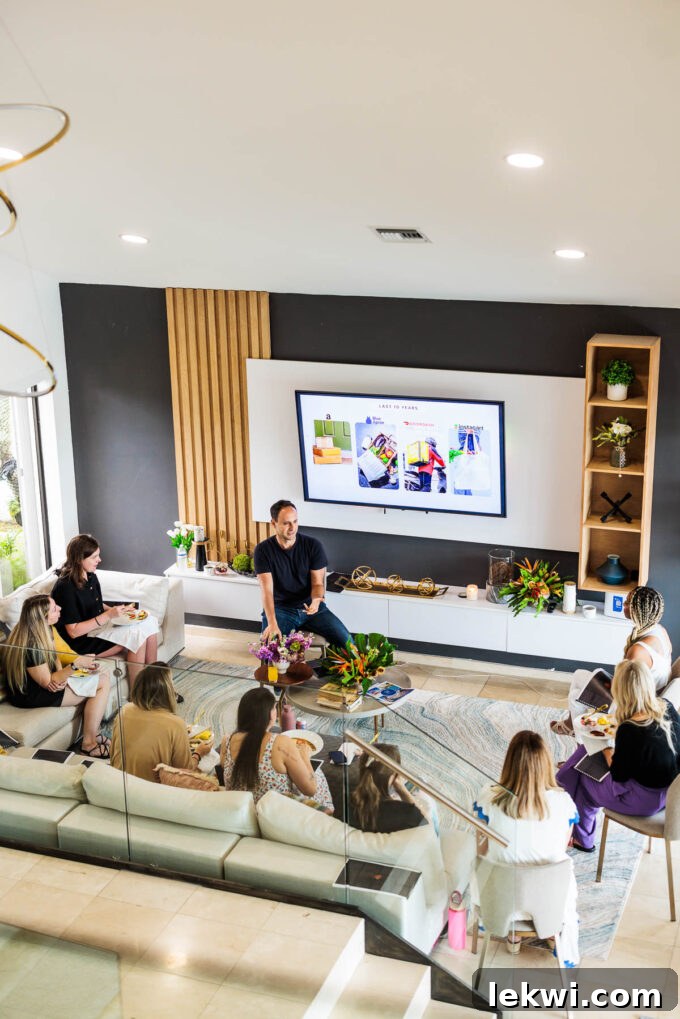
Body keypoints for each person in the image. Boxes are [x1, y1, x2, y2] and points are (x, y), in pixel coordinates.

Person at [472, 730, 580, 964]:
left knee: (487, 864)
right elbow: (560, 848)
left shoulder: (488, 798)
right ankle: (551, 930)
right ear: (546, 764)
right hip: (548, 902)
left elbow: (480, 853)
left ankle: (513, 936)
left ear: (509, 762)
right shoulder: (564, 803)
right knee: (559, 867)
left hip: (499, 900)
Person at [557, 659, 680, 852]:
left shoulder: (630, 729)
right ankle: (566, 794)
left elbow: (619, 775)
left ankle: (581, 838)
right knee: (582, 758)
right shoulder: (667, 707)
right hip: (670, 794)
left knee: (583, 779)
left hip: (644, 800)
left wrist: (606, 746)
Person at [550, 585, 672, 737]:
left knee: (576, 696)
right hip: (644, 692)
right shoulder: (659, 630)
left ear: (638, 611)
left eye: (628, 603)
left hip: (634, 704)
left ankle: (579, 742)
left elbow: (621, 689)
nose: (623, 605)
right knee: (579, 675)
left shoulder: (638, 651)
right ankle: (572, 728)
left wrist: (605, 683)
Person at [2, 594, 112, 757]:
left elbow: (55, 661)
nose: (59, 608)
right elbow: (48, 682)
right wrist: (76, 666)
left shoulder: (45, 629)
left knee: (100, 677)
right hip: (29, 695)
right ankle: (88, 744)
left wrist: (64, 676)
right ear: (44, 616)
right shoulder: (32, 644)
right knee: (101, 683)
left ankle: (92, 735)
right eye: (55, 608)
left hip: (43, 683)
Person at [51, 534, 160, 690]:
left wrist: (119, 611)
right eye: (94, 556)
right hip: (82, 643)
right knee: (138, 636)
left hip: (98, 629)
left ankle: (155, 683)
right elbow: (73, 632)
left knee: (149, 621)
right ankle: (139, 694)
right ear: (79, 559)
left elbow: (95, 603)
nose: (99, 560)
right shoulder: (65, 588)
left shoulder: (90, 576)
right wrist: (108, 615)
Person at [254, 500, 351, 647]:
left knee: (348, 645)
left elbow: (318, 583)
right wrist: (272, 623)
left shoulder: (313, 546)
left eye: (295, 521)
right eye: (286, 523)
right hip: (281, 609)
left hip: (312, 609)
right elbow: (267, 592)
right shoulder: (263, 550)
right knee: (271, 650)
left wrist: (317, 600)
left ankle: (325, 670)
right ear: (273, 524)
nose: (292, 528)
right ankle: (280, 670)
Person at [221, 686, 333, 809]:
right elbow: (310, 790)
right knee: (316, 774)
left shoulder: (227, 741)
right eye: (274, 707)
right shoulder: (280, 743)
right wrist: (305, 757)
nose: (276, 710)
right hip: (276, 816)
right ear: (269, 714)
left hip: (242, 812)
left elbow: (225, 769)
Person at [110, 662, 212, 782]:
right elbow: (185, 772)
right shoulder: (176, 724)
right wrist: (198, 754)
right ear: (167, 690)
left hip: (118, 783)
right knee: (209, 766)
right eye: (172, 684)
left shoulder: (124, 711)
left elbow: (113, 756)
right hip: (154, 792)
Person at [348, 744, 426, 833]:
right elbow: (430, 829)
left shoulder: (343, 799)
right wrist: (401, 788)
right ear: (395, 775)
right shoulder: (406, 813)